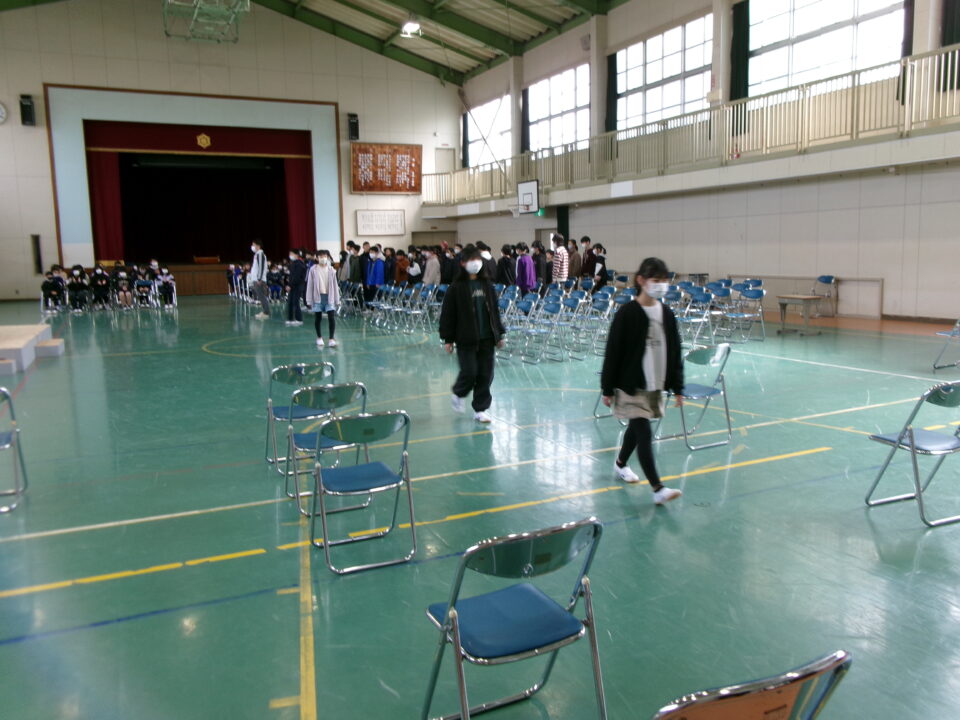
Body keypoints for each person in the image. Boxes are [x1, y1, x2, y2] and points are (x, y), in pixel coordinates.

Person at [600, 257, 684, 505]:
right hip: (631, 384)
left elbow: (675, 352)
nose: (661, 285)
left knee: (636, 430)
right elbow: (613, 352)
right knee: (644, 431)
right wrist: (607, 388)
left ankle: (620, 464)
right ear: (641, 280)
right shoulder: (627, 313)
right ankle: (658, 488)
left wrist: (678, 386)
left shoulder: (666, 313)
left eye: (664, 280)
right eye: (656, 280)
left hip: (655, 383)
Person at [439, 246, 506, 424]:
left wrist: (499, 334)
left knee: (485, 375)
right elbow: (448, 314)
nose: (475, 263)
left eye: (477, 259)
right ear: (462, 263)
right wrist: (448, 339)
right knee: (469, 372)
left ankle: (480, 409)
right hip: (465, 338)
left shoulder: (487, 285)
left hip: (487, 338)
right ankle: (459, 393)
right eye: (470, 260)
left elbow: (494, 312)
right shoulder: (456, 287)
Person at [306, 250, 340, 348]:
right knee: (318, 318)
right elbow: (310, 285)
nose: (323, 258)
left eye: (325, 256)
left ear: (328, 257)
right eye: (320, 256)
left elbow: (335, 285)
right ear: (317, 258)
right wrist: (309, 299)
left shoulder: (331, 270)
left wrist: (337, 299)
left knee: (331, 317)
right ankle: (319, 337)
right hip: (318, 297)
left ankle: (331, 339)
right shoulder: (313, 270)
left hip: (329, 297)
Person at [250, 240, 271, 319]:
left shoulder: (260, 254)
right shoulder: (257, 254)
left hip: (259, 279)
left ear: (258, 245)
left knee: (262, 296)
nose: (252, 246)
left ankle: (266, 312)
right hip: (256, 278)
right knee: (260, 296)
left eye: (253, 245)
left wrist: (259, 278)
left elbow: (261, 267)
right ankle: (265, 311)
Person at [286, 249, 307, 326]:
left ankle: (299, 319)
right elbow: (292, 276)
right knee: (290, 302)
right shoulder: (293, 263)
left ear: (296, 255)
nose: (290, 255)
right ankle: (290, 318)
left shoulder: (299, 264)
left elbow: (297, 277)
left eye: (291, 254)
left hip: (297, 286)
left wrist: (290, 285)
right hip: (293, 285)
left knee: (295, 302)